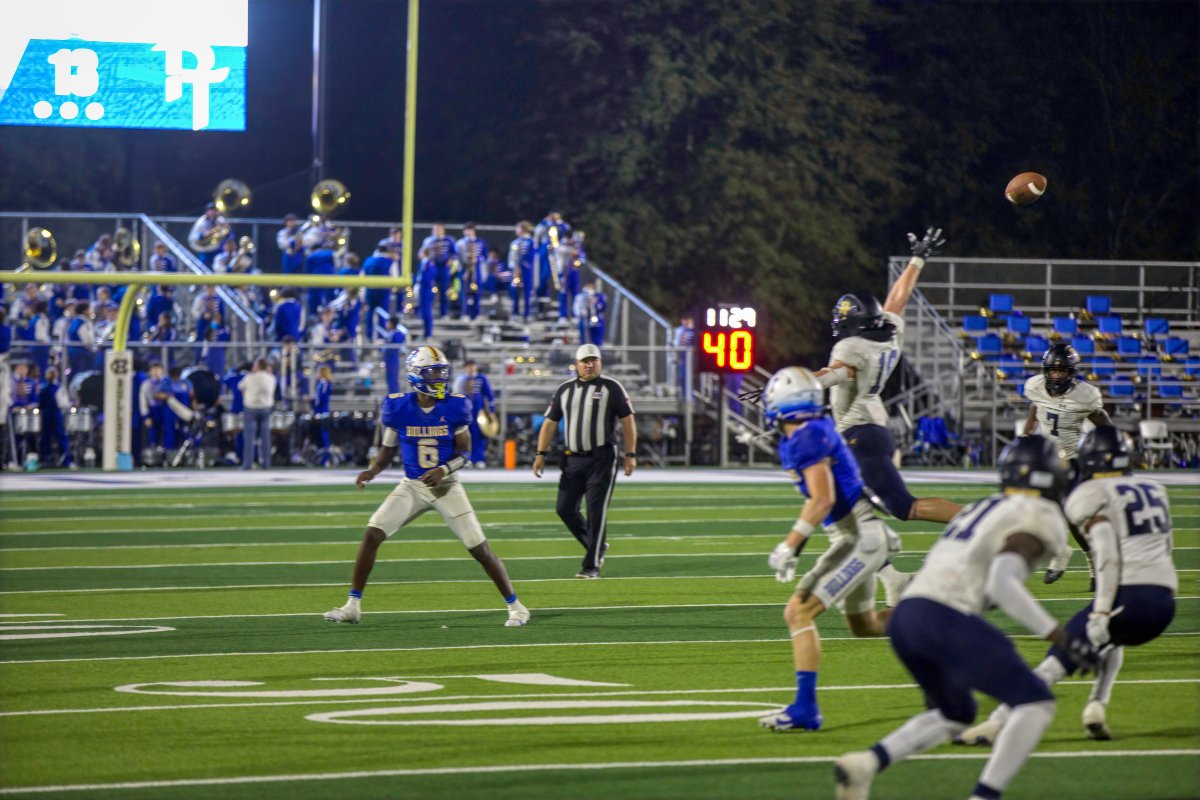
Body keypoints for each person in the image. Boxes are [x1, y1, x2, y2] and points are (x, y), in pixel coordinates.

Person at [832, 435, 1100, 800]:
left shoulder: (983, 506)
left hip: (908, 615)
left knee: (956, 713)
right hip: (943, 617)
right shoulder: (1041, 514)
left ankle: (866, 764)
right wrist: (1060, 637)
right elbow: (1002, 582)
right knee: (1035, 702)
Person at [955, 428, 1176, 746]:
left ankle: (994, 724)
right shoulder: (1155, 488)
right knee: (1111, 640)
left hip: (1129, 594)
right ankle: (1096, 707)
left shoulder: (1090, 493)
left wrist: (1101, 610)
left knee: (1056, 661)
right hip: (1165, 601)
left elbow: (1106, 550)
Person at [323, 345, 530, 628]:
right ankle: (352, 606)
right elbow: (387, 450)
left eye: (441, 372)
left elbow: (465, 454)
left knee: (478, 548)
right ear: (416, 375)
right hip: (412, 485)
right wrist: (372, 471)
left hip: (446, 485)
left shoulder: (454, 406)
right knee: (372, 533)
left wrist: (443, 470)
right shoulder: (398, 408)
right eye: (433, 373)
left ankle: (517, 607)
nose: (439, 378)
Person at [755, 367, 906, 732]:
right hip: (858, 534)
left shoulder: (806, 436)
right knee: (866, 626)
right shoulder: (812, 430)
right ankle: (929, 616)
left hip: (858, 538)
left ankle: (806, 709)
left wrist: (790, 545)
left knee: (798, 613)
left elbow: (822, 499)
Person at [814, 228, 963, 527]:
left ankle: (981, 520)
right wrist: (917, 261)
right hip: (872, 431)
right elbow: (897, 300)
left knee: (904, 507)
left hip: (860, 433)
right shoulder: (888, 335)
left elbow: (837, 373)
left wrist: (796, 383)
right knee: (842, 495)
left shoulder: (851, 346)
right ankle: (870, 550)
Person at [532, 344, 636, 579]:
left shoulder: (611, 387)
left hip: (602, 457)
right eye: (585, 361)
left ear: (600, 362)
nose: (589, 365)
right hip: (572, 459)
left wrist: (630, 455)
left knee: (595, 511)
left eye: (594, 361)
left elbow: (628, 421)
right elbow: (550, 423)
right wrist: (540, 454)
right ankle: (596, 545)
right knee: (564, 508)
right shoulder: (565, 390)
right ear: (576, 364)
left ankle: (591, 566)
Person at [1023, 342, 1114, 585]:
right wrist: (1026, 436)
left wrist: (1113, 447)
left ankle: (1069, 556)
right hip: (1045, 460)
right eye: (1053, 370)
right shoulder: (1035, 387)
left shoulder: (1084, 396)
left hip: (1072, 461)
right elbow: (1035, 407)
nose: (1056, 376)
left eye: (1062, 370)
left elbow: (1105, 425)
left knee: (1073, 517)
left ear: (1071, 372)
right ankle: (1074, 556)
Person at [453, 359, 495, 468]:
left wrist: (491, 411)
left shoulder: (481, 378)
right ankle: (467, 458)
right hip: (465, 411)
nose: (470, 369)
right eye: (468, 366)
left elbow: (489, 395)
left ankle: (479, 458)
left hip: (478, 411)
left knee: (479, 434)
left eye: (472, 366)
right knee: (465, 434)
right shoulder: (461, 379)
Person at [239, 358, 277, 470]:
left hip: (251, 408)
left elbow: (241, 388)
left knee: (249, 438)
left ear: (257, 366)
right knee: (265, 438)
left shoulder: (249, 377)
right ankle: (266, 464)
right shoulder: (271, 378)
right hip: (266, 408)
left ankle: (248, 464)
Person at [420, 223, 457, 318]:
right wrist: (427, 260)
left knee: (444, 290)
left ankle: (444, 313)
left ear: (443, 230)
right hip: (432, 267)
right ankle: (428, 311)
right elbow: (422, 253)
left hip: (444, 267)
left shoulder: (449, 240)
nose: (437, 231)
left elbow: (454, 253)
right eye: (435, 229)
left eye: (439, 229)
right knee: (429, 289)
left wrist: (450, 260)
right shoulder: (428, 240)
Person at [455, 223, 487, 320]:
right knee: (464, 292)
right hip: (464, 269)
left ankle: (476, 314)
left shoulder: (481, 242)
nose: (468, 232)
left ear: (474, 231)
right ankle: (465, 313)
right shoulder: (460, 243)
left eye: (470, 230)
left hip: (476, 270)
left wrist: (477, 261)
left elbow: (484, 257)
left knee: (476, 291)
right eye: (466, 230)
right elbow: (457, 257)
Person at [508, 221, 535, 320]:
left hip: (526, 270)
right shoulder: (515, 243)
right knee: (515, 291)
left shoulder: (530, 242)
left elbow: (531, 257)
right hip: (516, 270)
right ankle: (515, 312)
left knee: (527, 292)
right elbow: (511, 258)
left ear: (523, 229)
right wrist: (514, 269)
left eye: (518, 228)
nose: (516, 230)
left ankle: (527, 313)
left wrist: (523, 266)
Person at [188, 204, 226, 268]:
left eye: (214, 210)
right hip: (204, 247)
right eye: (211, 210)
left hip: (216, 247)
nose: (213, 212)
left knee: (218, 264)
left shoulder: (220, 220)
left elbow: (224, 233)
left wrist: (225, 229)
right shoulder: (201, 221)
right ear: (207, 212)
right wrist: (210, 232)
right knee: (203, 264)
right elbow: (196, 236)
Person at [573, 281, 607, 347]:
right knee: (584, 339)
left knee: (597, 339)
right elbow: (576, 308)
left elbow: (602, 307)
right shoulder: (580, 296)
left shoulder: (599, 296)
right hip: (584, 319)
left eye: (591, 287)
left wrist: (595, 303)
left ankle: (597, 348)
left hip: (596, 318)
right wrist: (582, 312)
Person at [381, 314, 408, 393]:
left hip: (393, 358)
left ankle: (395, 395)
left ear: (392, 324)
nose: (386, 324)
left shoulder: (397, 333)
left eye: (388, 322)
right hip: (388, 358)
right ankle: (391, 394)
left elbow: (398, 343)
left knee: (393, 378)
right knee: (389, 378)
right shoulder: (389, 333)